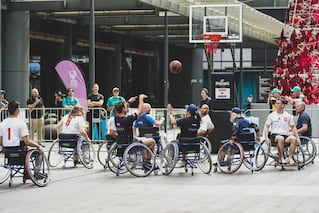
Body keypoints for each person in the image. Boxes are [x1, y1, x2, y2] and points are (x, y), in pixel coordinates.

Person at [263, 98, 300, 165]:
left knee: (293, 139)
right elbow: (267, 126)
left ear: (283, 105)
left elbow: (293, 127)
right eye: (276, 103)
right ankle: (281, 158)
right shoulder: (271, 115)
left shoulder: (288, 115)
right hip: (275, 135)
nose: (276, 105)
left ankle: (290, 158)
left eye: (278, 103)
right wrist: (266, 137)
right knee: (280, 138)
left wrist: (297, 137)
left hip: (285, 135)